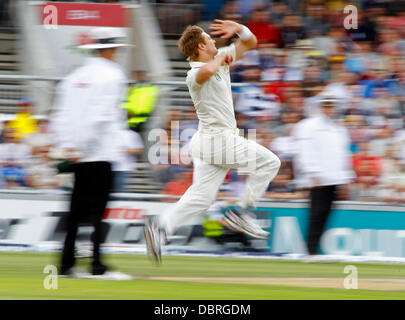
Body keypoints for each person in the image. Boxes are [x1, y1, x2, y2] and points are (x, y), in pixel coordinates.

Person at [144, 19, 281, 263]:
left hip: (209, 142)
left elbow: (251, 43)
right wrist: (221, 58)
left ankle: (161, 228)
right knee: (271, 163)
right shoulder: (194, 73)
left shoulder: (219, 58)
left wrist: (238, 29)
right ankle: (243, 211)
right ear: (200, 48)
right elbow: (207, 72)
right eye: (208, 39)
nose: (213, 40)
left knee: (201, 197)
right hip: (218, 140)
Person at [50, 28, 132, 279]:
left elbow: (60, 115)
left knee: (75, 212)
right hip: (99, 152)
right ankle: (96, 266)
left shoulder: (74, 76)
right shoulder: (112, 75)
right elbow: (101, 115)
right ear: (111, 49)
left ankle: (66, 265)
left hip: (77, 153)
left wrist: (68, 147)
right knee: (98, 213)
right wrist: (83, 146)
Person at [293, 95, 355, 262]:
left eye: (331, 106)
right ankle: (310, 250)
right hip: (318, 179)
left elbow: (343, 154)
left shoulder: (339, 128)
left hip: (334, 178)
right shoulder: (309, 126)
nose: (329, 109)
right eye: (326, 106)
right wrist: (312, 173)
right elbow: (304, 150)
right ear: (320, 107)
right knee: (317, 213)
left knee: (326, 213)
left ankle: (314, 249)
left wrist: (345, 178)